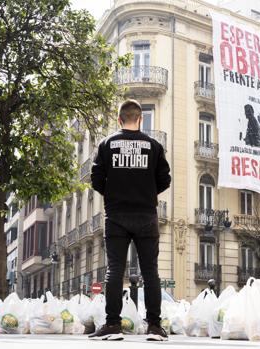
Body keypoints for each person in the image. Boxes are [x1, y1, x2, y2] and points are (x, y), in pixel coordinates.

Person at [88, 99, 171, 341]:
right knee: (151, 272)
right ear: (140, 119)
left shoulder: (107, 144)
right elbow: (165, 179)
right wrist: (146, 192)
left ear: (119, 119)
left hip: (115, 215)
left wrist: (114, 194)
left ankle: (113, 325)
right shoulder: (153, 146)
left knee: (114, 270)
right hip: (146, 215)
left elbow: (96, 179)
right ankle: (154, 327)